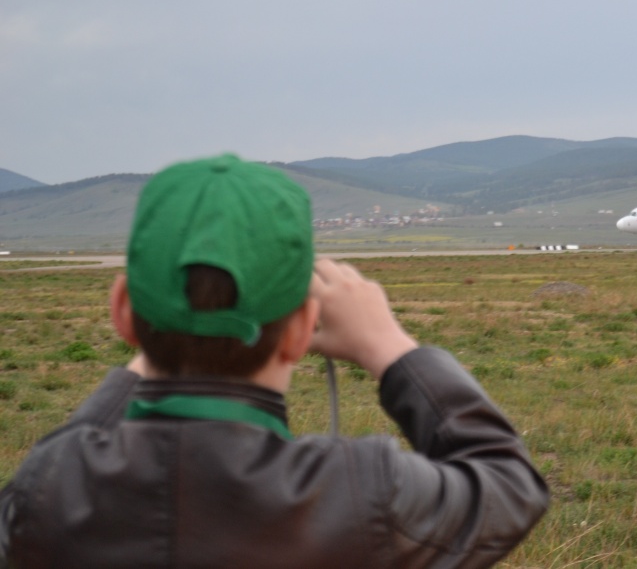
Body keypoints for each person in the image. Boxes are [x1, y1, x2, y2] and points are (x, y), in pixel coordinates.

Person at [0, 153, 549, 568]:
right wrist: (389, 347)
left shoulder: (48, 489)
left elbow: (64, 459)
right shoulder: (362, 491)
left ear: (123, 313)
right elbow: (509, 485)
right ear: (303, 329)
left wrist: (165, 341)